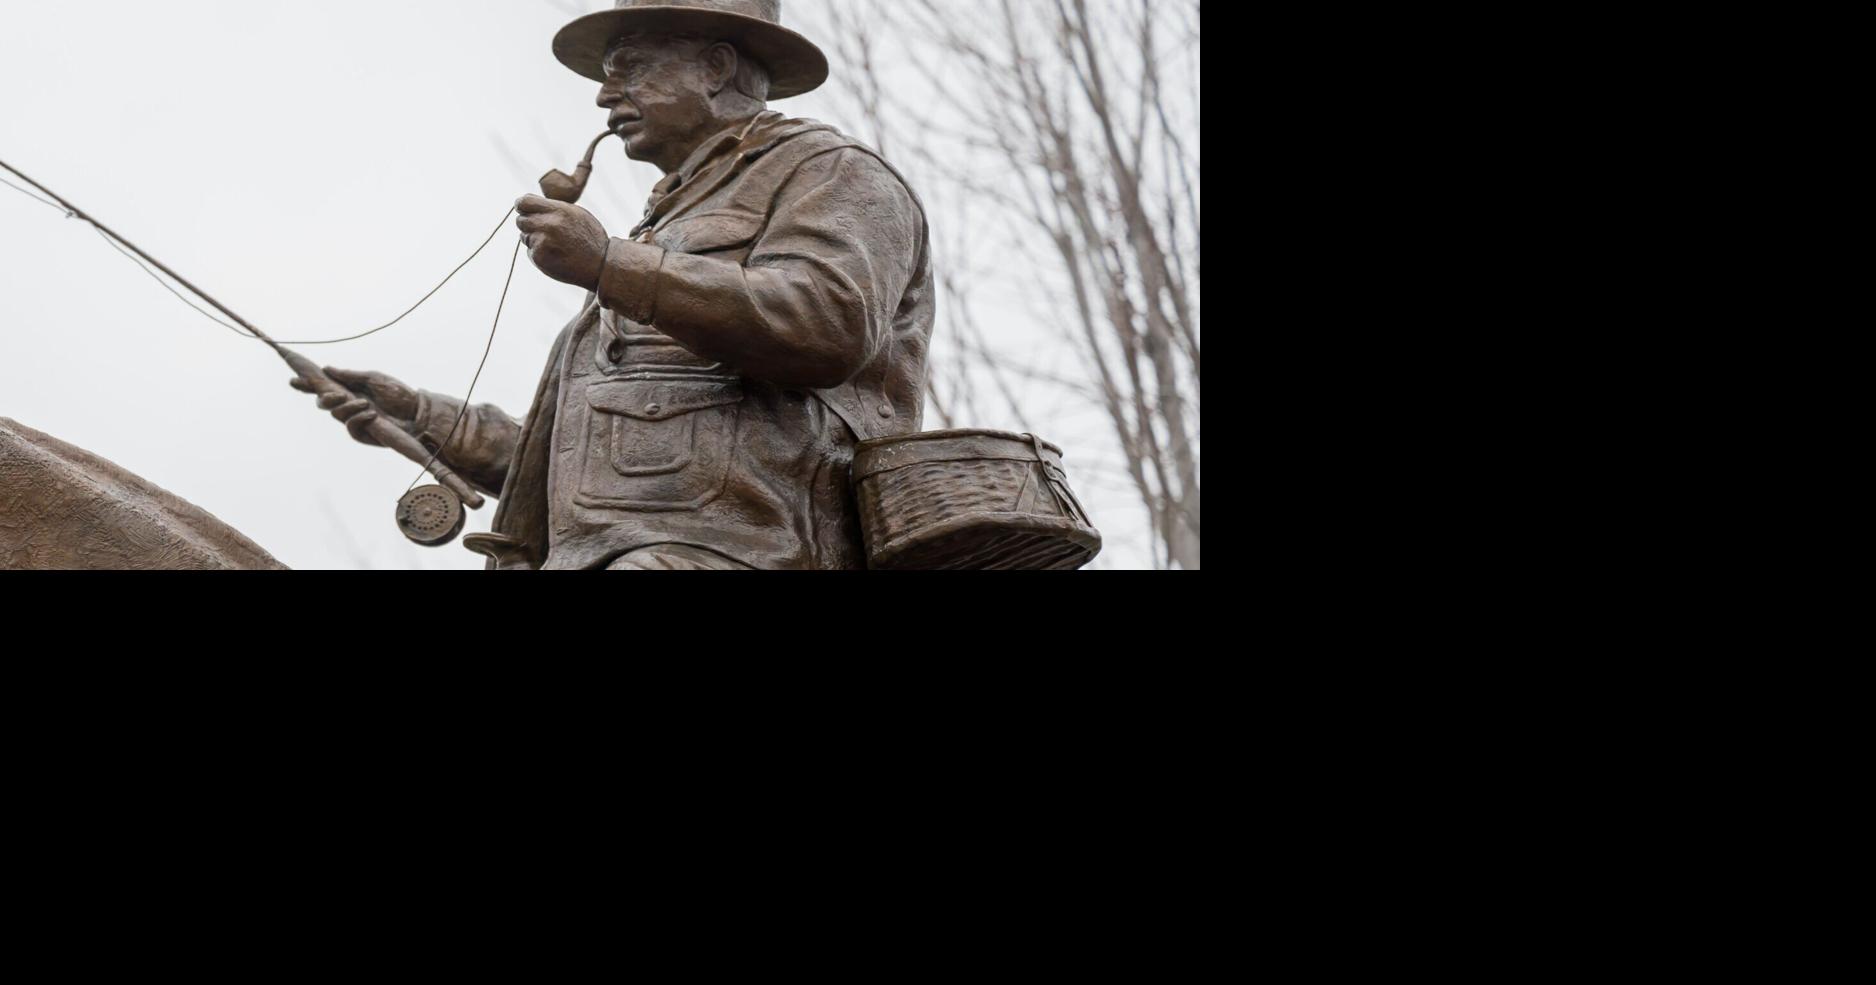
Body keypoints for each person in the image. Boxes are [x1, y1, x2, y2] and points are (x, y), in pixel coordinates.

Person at [295, 0, 933, 570]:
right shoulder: (668, 223)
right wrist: (420, 416)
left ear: (714, 68)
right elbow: (581, 467)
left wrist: (609, 264)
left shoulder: (834, 174)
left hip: (750, 553)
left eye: (630, 68)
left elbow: (827, 326)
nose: (604, 95)